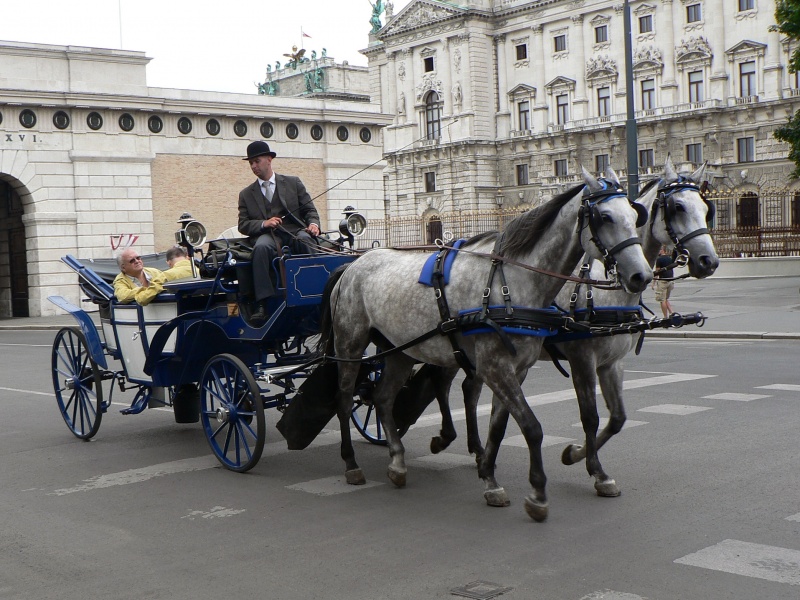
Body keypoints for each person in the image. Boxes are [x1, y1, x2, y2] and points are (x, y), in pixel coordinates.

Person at [238, 141, 321, 323]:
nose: (253, 166)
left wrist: (313, 224)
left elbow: (310, 211)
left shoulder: (293, 182)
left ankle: (317, 294)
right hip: (268, 236)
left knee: (305, 241)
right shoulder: (246, 194)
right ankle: (262, 303)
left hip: (294, 231)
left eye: (257, 161)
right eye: (251, 163)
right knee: (260, 249)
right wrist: (263, 223)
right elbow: (243, 225)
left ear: (269, 159)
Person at [653, 245, 675, 317]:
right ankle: (672, 312)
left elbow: (657, 272)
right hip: (671, 280)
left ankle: (665, 317)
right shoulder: (670, 258)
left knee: (662, 300)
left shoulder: (659, 259)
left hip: (663, 281)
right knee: (666, 298)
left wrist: (653, 283)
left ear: (662, 250)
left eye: (660, 250)